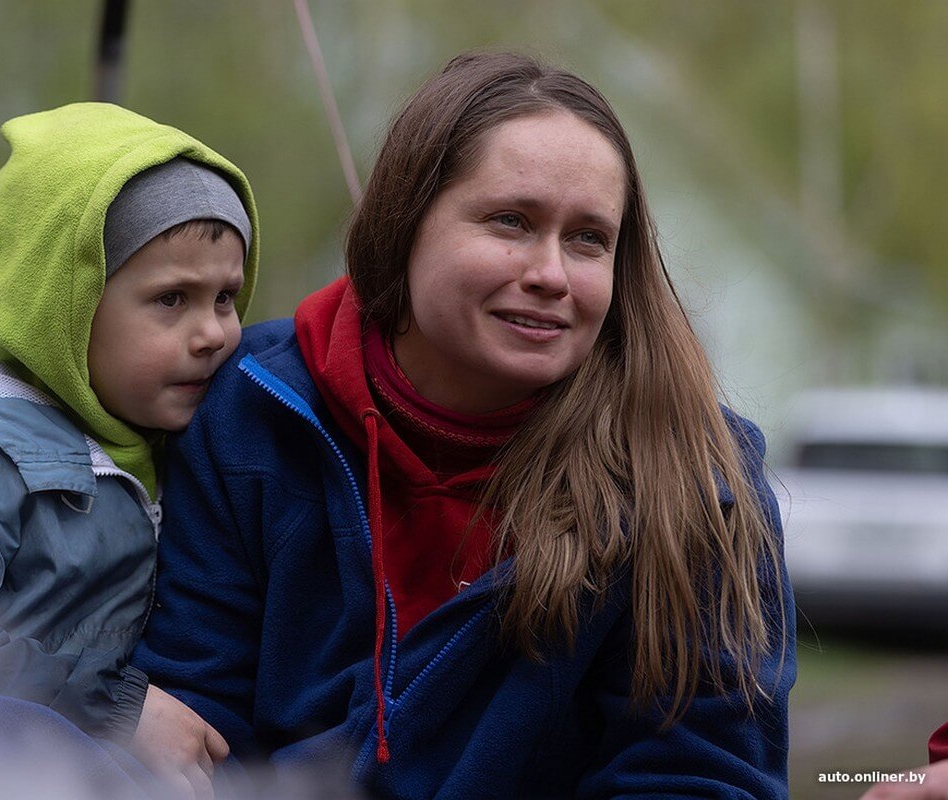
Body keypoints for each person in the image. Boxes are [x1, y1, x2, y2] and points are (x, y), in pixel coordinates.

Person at [131, 50, 796, 798]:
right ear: (406, 221)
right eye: (511, 221)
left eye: (587, 239)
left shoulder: (695, 477)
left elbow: (699, 775)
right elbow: (192, 720)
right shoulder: (251, 407)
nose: (549, 272)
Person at [0, 102, 258, 744]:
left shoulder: (162, 442)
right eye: (172, 299)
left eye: (226, 298)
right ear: (68, 306)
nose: (212, 333)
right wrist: (117, 709)